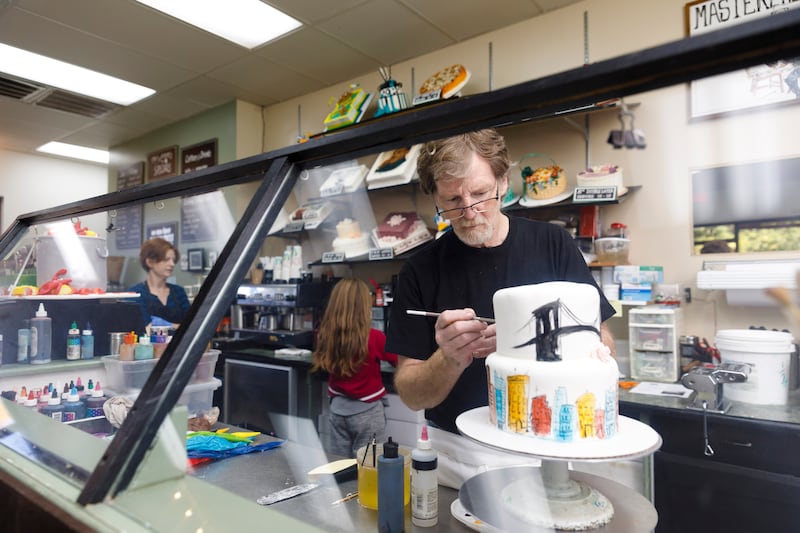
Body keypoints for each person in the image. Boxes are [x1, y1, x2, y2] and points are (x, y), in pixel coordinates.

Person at [385, 129, 616, 437]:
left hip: (546, 437)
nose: (469, 212)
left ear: (504, 182)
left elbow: (603, 344)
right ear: (435, 198)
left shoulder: (553, 244)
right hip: (456, 445)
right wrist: (450, 358)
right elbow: (412, 396)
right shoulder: (420, 269)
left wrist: (531, 341)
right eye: (453, 200)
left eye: (480, 194)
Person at [312, 278, 398, 458]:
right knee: (369, 468)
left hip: (337, 410)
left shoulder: (324, 335)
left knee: (339, 464)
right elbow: (398, 361)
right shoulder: (375, 337)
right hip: (368, 413)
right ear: (364, 307)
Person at [128, 238, 190, 330]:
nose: (172, 264)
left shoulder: (179, 292)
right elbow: (146, 329)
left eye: (173, 260)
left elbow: (191, 325)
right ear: (150, 262)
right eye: (166, 259)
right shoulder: (135, 293)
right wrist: (175, 327)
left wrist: (162, 326)